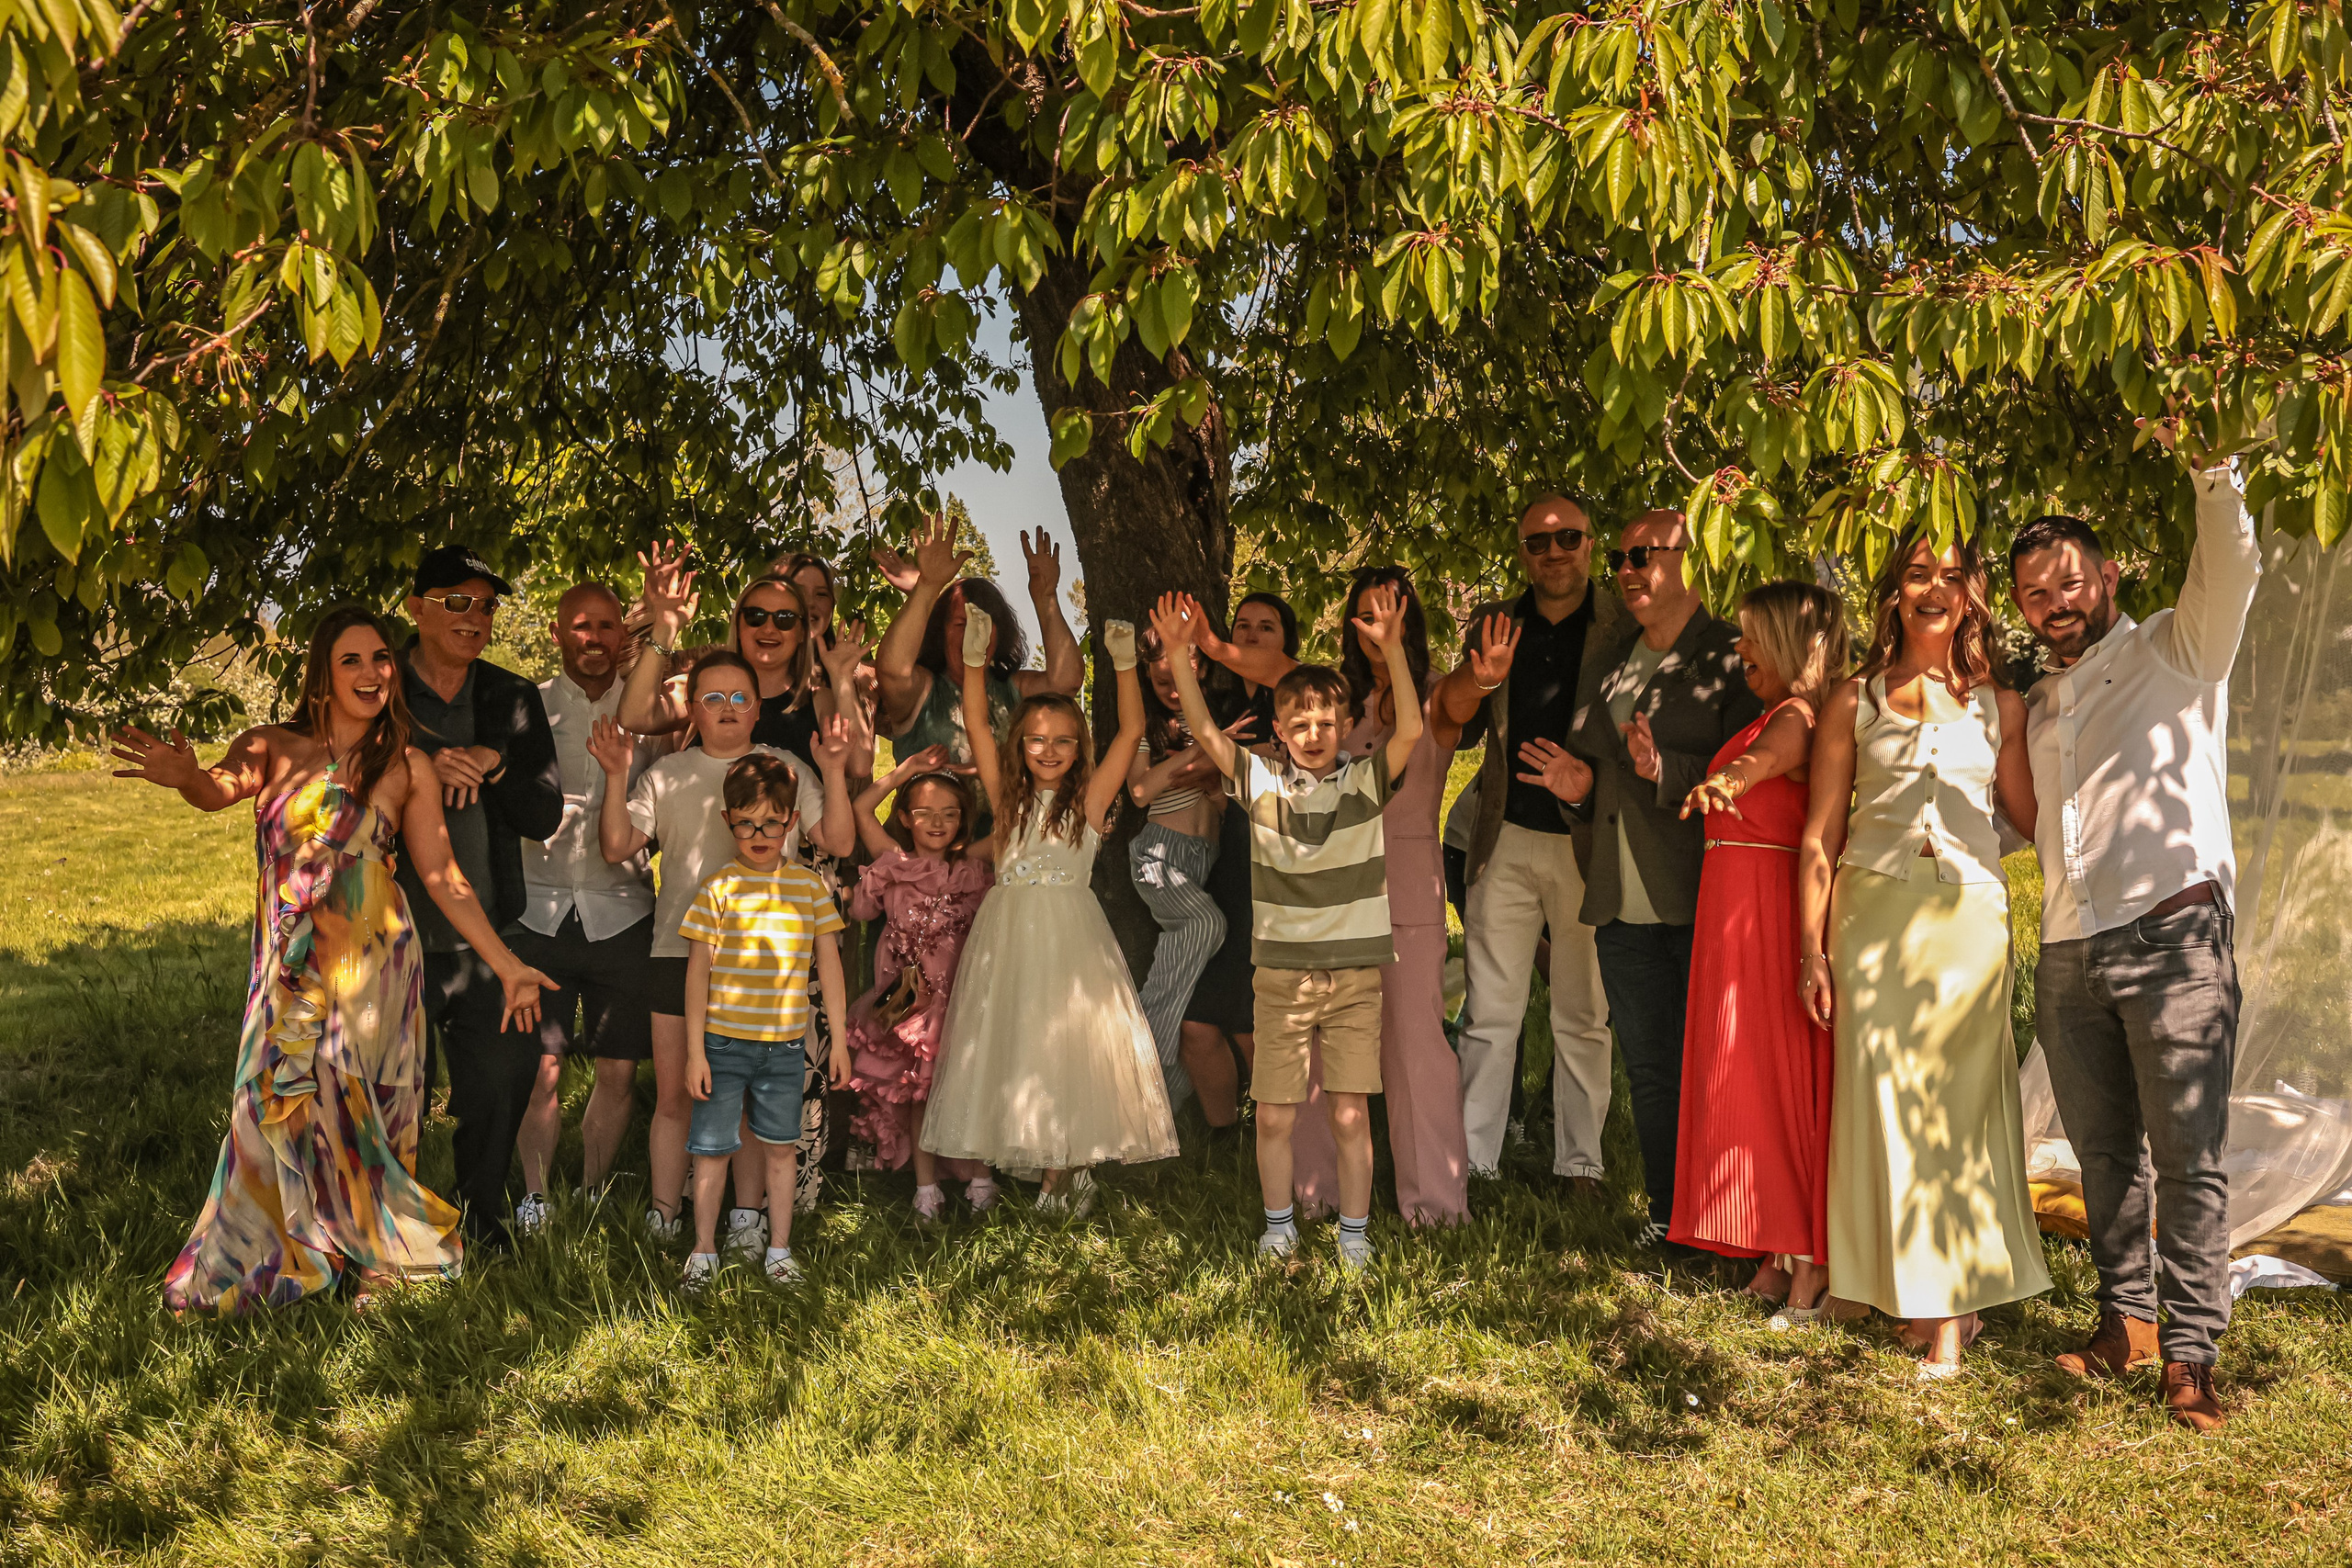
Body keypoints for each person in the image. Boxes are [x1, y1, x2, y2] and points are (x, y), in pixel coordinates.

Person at [111, 605, 551, 1312]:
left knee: (371, 1106)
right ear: (322, 674)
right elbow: (215, 790)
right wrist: (185, 775)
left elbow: (443, 876)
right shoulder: (271, 746)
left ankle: (380, 1257)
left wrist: (507, 964)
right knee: (271, 1102)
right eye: (353, 660)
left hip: (376, 959)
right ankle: (278, 1251)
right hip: (290, 961)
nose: (373, 672)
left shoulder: (406, 763)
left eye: (381, 658)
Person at [2009, 420, 2260, 1434]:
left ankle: (2191, 1356)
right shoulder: (2037, 702)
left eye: (2068, 583)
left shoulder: (2174, 648)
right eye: (2035, 593)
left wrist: (2214, 469)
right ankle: (2126, 1324)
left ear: (2105, 576)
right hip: (2069, 949)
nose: (2055, 603)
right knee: (2104, 1155)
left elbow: (2230, 566)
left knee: (2186, 1154)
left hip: (2170, 938)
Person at [1796, 531, 2051, 1377]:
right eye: (1916, 574)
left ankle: (1952, 1311)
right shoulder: (1853, 700)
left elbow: (2029, 819)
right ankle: (1896, 1286)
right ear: (1895, 594)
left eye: (1950, 576)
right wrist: (1811, 949)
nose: (1933, 589)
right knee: (1884, 1107)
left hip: (1971, 923)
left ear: (1973, 595)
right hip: (1868, 920)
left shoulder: (2001, 706)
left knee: (1961, 1111)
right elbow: (1819, 836)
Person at [1154, 585, 1421, 1272]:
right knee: (1272, 1115)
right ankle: (1279, 1228)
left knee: (1350, 1113)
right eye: (1299, 724)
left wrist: (1391, 650)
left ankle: (1354, 1234)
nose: (1312, 734)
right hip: (1279, 978)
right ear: (1280, 731)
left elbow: (1413, 733)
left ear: (1343, 726)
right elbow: (1211, 738)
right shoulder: (1261, 785)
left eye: (1325, 724)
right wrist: (1184, 659)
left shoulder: (1364, 784)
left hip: (1354, 978)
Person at [1522, 510, 1763, 1245]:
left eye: (1642, 556)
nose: (1626, 570)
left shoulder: (1729, 655)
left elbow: (1756, 767)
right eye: (1621, 559)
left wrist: (1670, 771)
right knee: (1652, 1070)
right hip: (1619, 894)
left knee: (1716, 1066)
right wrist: (1578, 787)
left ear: (1689, 560)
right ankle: (1670, 1217)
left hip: (1702, 892)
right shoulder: (1616, 656)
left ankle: (1729, 1222)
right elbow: (1603, 774)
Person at [592, 650, 854, 1247]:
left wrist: (833, 771)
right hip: (676, 956)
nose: (728, 708)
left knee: (748, 1106)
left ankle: (746, 1218)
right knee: (676, 1095)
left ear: (758, 706)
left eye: (740, 697)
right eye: (713, 697)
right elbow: (616, 845)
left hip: (763, 972)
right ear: (693, 707)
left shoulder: (783, 766)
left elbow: (835, 839)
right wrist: (615, 774)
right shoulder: (668, 775)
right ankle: (664, 1215)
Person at [922, 609, 1178, 1209]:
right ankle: (1055, 1159)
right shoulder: (1008, 801)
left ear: (1078, 748)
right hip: (1009, 937)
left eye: (1064, 741)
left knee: (1071, 1044)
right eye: (1037, 739)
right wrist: (976, 664)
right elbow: (980, 726)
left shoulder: (1088, 801)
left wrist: (1123, 665)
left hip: (1068, 937)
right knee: (1022, 1041)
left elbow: (1131, 733)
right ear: (1021, 745)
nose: (1049, 749)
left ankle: (1064, 1172)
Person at [1665, 582, 1850, 1317]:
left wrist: (1729, 779)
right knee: (1746, 1077)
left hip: (1769, 918)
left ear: (1786, 644)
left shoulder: (1803, 718)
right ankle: (1775, 1251)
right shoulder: (1775, 712)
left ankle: (1808, 1265)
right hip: (1733, 914)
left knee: (1779, 1085)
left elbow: (1769, 760)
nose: (1738, 651)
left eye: (1750, 638)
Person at [1437, 494, 1626, 1188]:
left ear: (1589, 543)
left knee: (1584, 1011)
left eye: (1567, 538)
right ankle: (1473, 1162)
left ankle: (1582, 1163)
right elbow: (1454, 723)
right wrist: (1476, 675)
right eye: (1539, 542)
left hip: (1588, 840)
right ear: (1523, 552)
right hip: (1505, 836)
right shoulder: (1494, 623)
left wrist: (1591, 781)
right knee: (1490, 1009)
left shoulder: (1624, 624)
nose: (1554, 552)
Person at [1287, 568, 1478, 1227]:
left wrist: (1402, 652)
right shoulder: (1333, 703)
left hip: (1407, 891)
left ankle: (1436, 1205)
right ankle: (1318, 1194)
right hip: (1331, 894)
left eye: (1389, 613)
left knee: (1414, 1045)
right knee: (1319, 1045)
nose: (1376, 625)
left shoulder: (1433, 696)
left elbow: (1470, 692)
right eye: (1365, 615)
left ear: (1410, 618)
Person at [397, 545, 565, 1249]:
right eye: (456, 601)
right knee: (390, 1095)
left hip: (489, 931)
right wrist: (419, 768)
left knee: (499, 1085)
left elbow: (545, 812)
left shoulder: (511, 697)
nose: (475, 616)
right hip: (390, 931)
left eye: (487, 604)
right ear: (416, 608)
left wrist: (496, 766)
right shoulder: (378, 687)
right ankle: (387, 1233)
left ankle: (482, 1223)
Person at [511, 582, 659, 1231]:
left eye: (606, 625)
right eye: (581, 625)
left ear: (622, 634)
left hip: (623, 909)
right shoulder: (526, 707)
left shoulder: (649, 714)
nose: (594, 637)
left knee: (617, 1067)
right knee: (539, 1067)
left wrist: (660, 631)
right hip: (536, 911)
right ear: (556, 632)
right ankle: (536, 1195)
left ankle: (594, 1189)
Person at [677, 754, 852, 1289]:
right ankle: (703, 1252)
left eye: (771, 822)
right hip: (722, 1046)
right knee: (712, 1152)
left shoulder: (808, 889)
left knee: (780, 1149)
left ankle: (778, 1250)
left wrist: (839, 1043)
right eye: (747, 821)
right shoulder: (717, 889)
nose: (759, 833)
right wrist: (695, 1051)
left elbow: (831, 969)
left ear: (791, 823)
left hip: (784, 1048)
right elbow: (697, 976)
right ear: (728, 821)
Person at [843, 747, 999, 1220]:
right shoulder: (893, 863)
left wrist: (980, 773)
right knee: (917, 1095)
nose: (937, 822)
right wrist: (905, 771)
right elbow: (859, 809)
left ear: (963, 820)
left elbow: (1014, 819)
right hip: (907, 1009)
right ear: (906, 819)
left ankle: (981, 1180)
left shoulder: (970, 869)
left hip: (960, 1006)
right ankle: (925, 1189)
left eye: (949, 814)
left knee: (968, 1091)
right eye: (925, 813)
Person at [1180, 591, 1300, 1133]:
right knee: (1199, 1023)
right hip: (1227, 871)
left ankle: (1290, 1137)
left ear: (1287, 643)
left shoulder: (1304, 708)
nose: (1250, 636)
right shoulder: (1224, 710)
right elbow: (1200, 774)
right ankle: (1226, 1137)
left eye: (1266, 627)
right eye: (1243, 625)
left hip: (1282, 879)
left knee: (1255, 1022)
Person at [621, 544, 868, 773]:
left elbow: (859, 765)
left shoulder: (819, 701)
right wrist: (663, 631)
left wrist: (842, 678)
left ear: (801, 631)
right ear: (737, 624)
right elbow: (635, 717)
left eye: (784, 618)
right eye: (756, 616)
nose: (769, 628)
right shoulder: (701, 685)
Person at [1126, 621, 1241, 1107]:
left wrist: (1209, 780)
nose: (1173, 691)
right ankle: (1141, 1052)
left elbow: (1221, 800)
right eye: (1161, 683)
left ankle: (1163, 1105)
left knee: (1191, 972)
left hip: (1204, 859)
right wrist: (1200, 753)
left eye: (1181, 677)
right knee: (1206, 923)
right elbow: (1139, 791)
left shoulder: (1219, 719)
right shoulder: (1151, 730)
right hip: (1159, 854)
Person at [874, 513, 1084, 765]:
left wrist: (1046, 597)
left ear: (1001, 636)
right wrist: (927, 586)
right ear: (940, 633)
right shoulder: (924, 690)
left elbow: (1066, 683)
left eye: (982, 624)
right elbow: (892, 671)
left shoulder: (1012, 689)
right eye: (962, 624)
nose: (972, 634)